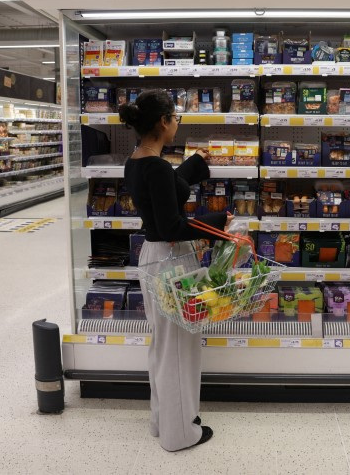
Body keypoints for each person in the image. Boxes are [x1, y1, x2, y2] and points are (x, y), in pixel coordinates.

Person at [121, 89, 232, 451]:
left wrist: (194, 163)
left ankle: (163, 420)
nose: (178, 123)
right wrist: (217, 224)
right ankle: (180, 434)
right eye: (175, 118)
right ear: (163, 122)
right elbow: (172, 224)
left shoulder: (137, 160)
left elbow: (168, 189)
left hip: (154, 258)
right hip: (171, 261)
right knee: (181, 349)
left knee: (164, 346)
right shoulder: (154, 166)